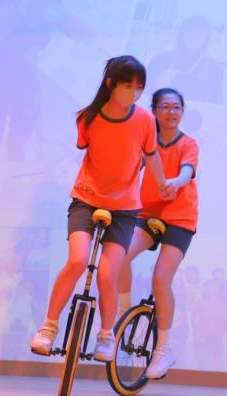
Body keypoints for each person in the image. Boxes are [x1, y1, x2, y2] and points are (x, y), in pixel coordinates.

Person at [30, 55, 168, 362]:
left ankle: (106, 336)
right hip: (86, 200)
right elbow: (88, 151)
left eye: (139, 87)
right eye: (127, 85)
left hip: (124, 209)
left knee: (107, 273)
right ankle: (48, 327)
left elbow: (151, 156)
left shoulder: (145, 120)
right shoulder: (88, 118)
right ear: (111, 84)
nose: (133, 93)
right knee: (77, 260)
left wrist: (162, 184)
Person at [117, 87, 199, 378]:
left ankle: (162, 351)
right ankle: (124, 313)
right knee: (120, 255)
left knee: (160, 279)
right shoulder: (146, 140)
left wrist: (174, 182)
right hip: (148, 214)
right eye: (165, 106)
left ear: (182, 112)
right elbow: (130, 169)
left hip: (180, 218)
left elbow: (187, 172)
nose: (171, 112)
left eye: (176, 107)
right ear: (153, 111)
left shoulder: (188, 143)